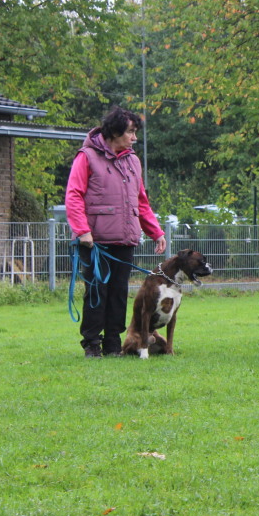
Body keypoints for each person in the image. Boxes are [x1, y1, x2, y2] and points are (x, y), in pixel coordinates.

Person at [65, 107, 167, 358]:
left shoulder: (132, 161)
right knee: (97, 293)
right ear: (114, 132)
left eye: (135, 132)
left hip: (125, 239)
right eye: (130, 132)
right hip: (95, 242)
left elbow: (141, 201)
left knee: (119, 294)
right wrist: (82, 231)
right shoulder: (86, 156)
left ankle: (113, 343)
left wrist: (156, 232)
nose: (134, 138)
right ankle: (92, 343)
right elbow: (74, 195)